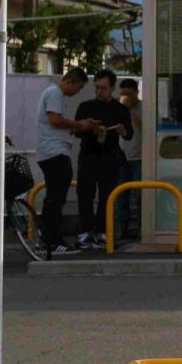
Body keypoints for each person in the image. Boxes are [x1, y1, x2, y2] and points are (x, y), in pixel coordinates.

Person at [74, 70, 133, 251]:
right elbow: (76, 131)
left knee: (107, 196)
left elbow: (129, 134)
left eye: (104, 88)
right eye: (97, 88)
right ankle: (85, 231)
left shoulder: (121, 109)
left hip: (110, 157)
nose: (100, 92)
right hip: (88, 155)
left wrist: (122, 131)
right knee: (85, 194)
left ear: (112, 88)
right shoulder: (86, 106)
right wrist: (91, 129)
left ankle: (101, 232)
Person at [37, 67, 92, 257]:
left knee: (54, 198)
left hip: (52, 151)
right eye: (79, 88)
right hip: (55, 153)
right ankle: (52, 240)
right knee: (56, 198)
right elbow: (55, 121)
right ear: (70, 82)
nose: (77, 92)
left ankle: (48, 238)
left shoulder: (53, 93)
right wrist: (79, 124)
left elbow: (56, 123)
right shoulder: (55, 93)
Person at [117, 79, 142, 243]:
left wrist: (130, 113)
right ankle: (123, 229)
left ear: (136, 93)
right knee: (121, 195)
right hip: (122, 156)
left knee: (140, 194)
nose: (126, 97)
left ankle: (142, 228)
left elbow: (146, 126)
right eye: (123, 93)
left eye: (129, 94)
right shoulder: (118, 108)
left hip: (140, 156)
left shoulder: (144, 107)